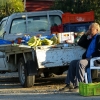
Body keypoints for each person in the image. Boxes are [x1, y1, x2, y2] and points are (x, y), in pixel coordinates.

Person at [59, 22, 100, 92]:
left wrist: (91, 56)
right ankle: (69, 84)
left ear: (97, 30)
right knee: (73, 63)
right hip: (88, 59)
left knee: (81, 63)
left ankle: (79, 85)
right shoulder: (91, 39)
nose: (89, 31)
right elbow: (80, 43)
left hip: (95, 59)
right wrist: (85, 34)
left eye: (91, 29)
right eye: (89, 29)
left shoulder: (99, 38)